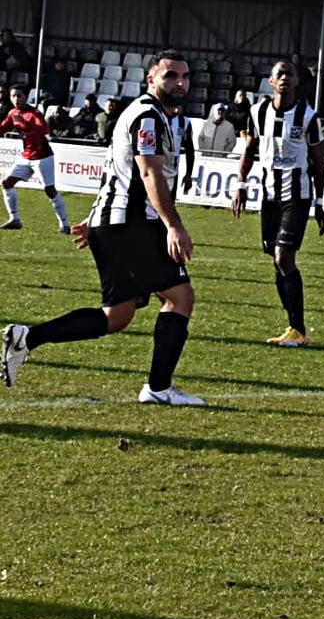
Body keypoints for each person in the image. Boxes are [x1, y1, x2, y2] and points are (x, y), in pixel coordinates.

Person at [2, 52, 203, 405]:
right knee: (179, 297)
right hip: (132, 224)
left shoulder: (156, 115)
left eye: (185, 76)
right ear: (151, 80)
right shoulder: (148, 116)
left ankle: (26, 338)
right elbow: (148, 173)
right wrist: (174, 225)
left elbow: (117, 171)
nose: (180, 82)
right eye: (170, 75)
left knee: (117, 316)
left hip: (116, 223)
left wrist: (95, 218)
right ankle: (158, 389)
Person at [230, 60, 324, 348]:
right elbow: (249, 150)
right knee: (277, 262)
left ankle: (298, 330)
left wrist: (320, 203)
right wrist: (240, 185)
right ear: (270, 81)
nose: (284, 78)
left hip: (297, 197)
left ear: (297, 81)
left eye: (290, 74)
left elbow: (319, 163)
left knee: (284, 258)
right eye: (279, 74)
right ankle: (293, 327)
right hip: (269, 196)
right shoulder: (257, 112)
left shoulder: (308, 117)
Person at [0, 85, 73, 233]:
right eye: (13, 96)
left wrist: (27, 126)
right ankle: (15, 219)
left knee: (50, 190)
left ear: (26, 97)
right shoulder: (13, 113)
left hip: (42, 157)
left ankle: (64, 224)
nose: (16, 99)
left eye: (19, 96)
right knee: (7, 183)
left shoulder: (34, 113)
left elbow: (43, 129)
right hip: (26, 156)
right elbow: (2, 128)